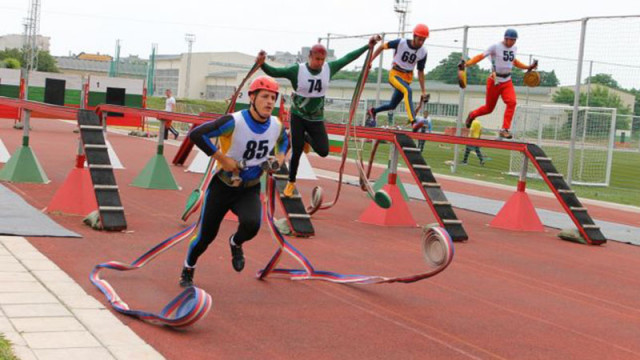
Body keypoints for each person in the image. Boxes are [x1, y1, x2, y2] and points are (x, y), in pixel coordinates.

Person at [179, 76, 289, 288]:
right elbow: (197, 134)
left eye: (273, 98)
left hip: (249, 189)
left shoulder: (275, 125)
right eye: (265, 96)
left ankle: (235, 243)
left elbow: (285, 141)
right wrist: (222, 158)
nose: (269, 102)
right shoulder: (234, 122)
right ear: (252, 97)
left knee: (252, 225)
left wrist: (280, 159)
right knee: (205, 238)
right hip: (222, 186)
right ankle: (188, 268)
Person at [256, 35, 380, 197]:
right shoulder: (297, 70)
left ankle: (307, 138)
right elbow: (275, 72)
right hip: (298, 116)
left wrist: (367, 46)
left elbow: (348, 58)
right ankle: (291, 182)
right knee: (297, 149)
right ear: (310, 57)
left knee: (323, 150)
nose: (320, 62)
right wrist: (262, 63)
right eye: (317, 59)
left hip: (316, 118)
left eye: (322, 59)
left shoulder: (328, 69)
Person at [460, 28, 538, 139]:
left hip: (507, 81)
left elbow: (514, 61)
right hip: (494, 81)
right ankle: (472, 115)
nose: (512, 42)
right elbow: (480, 56)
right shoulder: (495, 47)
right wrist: (466, 64)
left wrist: (528, 67)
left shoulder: (514, 48)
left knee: (512, 102)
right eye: (510, 40)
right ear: (505, 39)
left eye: (514, 40)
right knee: (489, 109)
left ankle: (504, 129)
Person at [368, 23, 429, 127]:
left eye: (424, 40)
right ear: (414, 36)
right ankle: (413, 121)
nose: (421, 42)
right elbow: (382, 47)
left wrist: (423, 91)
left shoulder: (423, 52)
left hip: (406, 79)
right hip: (395, 74)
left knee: (392, 105)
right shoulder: (401, 42)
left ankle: (373, 111)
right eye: (419, 39)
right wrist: (370, 60)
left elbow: (420, 72)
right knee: (407, 90)